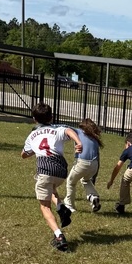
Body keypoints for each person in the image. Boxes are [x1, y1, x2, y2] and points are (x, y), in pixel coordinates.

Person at [20, 102, 81, 252]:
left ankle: (59, 236)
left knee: (44, 206)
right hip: (61, 169)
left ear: (34, 119)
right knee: (51, 187)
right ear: (51, 117)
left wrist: (31, 151)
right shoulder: (57, 129)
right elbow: (69, 131)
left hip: (45, 168)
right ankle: (61, 208)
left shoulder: (32, 135)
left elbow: (24, 154)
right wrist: (78, 143)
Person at [63, 118, 102, 214]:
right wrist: (95, 172)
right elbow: (98, 157)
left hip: (82, 163)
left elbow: (65, 127)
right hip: (94, 164)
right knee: (86, 180)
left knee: (71, 182)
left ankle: (69, 205)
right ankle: (93, 196)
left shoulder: (79, 131)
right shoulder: (95, 139)